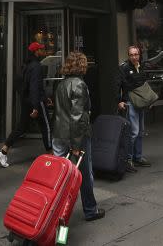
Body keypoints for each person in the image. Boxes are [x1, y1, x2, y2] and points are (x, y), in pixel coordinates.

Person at [52, 51, 106, 222]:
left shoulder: (61, 84)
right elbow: (78, 117)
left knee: (59, 177)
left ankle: (54, 213)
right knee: (84, 174)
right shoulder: (79, 85)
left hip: (58, 134)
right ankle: (90, 209)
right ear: (81, 65)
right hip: (76, 137)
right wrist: (76, 145)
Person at [0, 43, 51, 168]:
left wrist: (38, 100)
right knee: (46, 126)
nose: (44, 51)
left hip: (27, 101)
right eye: (42, 49)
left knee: (21, 127)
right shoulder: (36, 66)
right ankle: (51, 155)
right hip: (36, 101)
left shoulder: (26, 66)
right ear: (36, 52)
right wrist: (37, 105)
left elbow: (25, 85)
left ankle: (4, 150)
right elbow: (35, 87)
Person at [118, 45, 151, 173]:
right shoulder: (124, 67)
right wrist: (119, 100)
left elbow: (144, 85)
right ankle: (128, 159)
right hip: (130, 102)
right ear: (128, 55)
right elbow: (118, 84)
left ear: (139, 55)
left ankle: (138, 157)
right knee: (133, 132)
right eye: (131, 55)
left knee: (140, 131)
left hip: (141, 102)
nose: (134, 57)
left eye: (136, 54)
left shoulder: (141, 66)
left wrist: (149, 100)